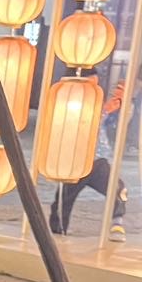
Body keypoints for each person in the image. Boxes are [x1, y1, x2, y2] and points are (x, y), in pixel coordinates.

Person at [50, 82, 130, 241]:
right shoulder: (80, 103)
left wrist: (118, 108)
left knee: (118, 189)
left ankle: (117, 223)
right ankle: (58, 231)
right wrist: (106, 110)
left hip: (98, 161)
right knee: (64, 199)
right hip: (78, 161)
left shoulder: (115, 109)